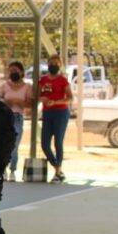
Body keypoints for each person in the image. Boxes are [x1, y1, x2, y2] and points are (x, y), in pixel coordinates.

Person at [0, 61, 32, 182]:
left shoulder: (27, 87)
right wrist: (6, 101)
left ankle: (13, 170)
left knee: (14, 145)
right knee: (2, 144)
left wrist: (20, 103)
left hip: (17, 117)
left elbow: (31, 103)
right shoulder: (4, 86)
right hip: (4, 117)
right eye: (10, 71)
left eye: (15, 71)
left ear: (21, 72)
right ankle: (2, 170)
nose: (13, 73)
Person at [39, 54, 73, 183]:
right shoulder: (43, 80)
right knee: (44, 144)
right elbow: (38, 95)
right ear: (47, 64)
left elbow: (70, 98)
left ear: (60, 65)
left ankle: (58, 172)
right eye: (51, 63)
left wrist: (56, 102)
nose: (53, 65)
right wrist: (42, 98)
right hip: (47, 113)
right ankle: (57, 165)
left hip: (60, 112)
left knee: (58, 141)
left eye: (56, 63)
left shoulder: (63, 80)